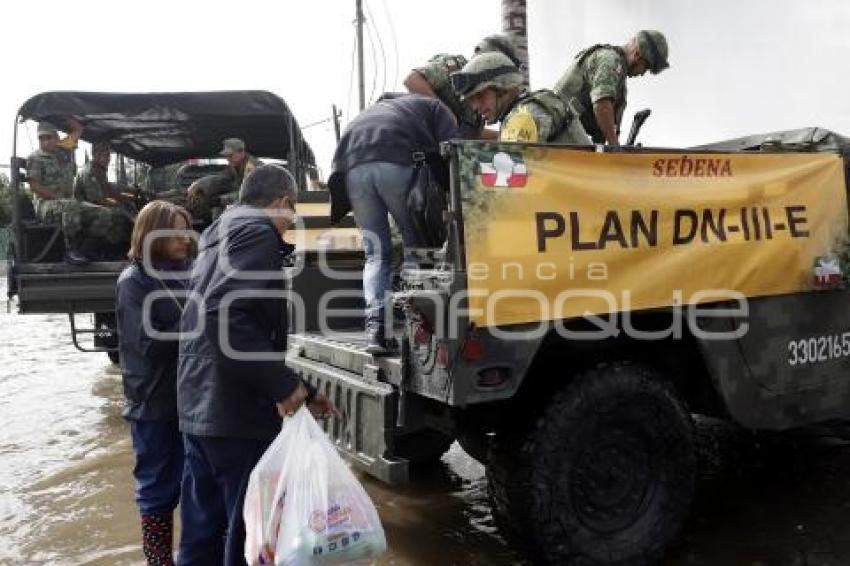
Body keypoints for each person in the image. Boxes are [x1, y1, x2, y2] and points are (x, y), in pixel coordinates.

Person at [176, 164, 336, 566]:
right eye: (293, 210)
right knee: (250, 532)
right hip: (233, 414)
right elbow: (226, 316)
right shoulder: (256, 230)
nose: (291, 221)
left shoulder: (218, 230)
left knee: (202, 530)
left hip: (199, 405)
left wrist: (305, 390)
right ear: (282, 202)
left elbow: (227, 321)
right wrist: (283, 387)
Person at [327, 94, 457, 353]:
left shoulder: (379, 110)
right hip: (395, 161)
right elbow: (453, 152)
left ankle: (376, 331)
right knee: (414, 247)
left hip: (352, 169)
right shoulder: (435, 106)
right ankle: (413, 326)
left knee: (375, 254)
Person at [116, 200, 195, 565]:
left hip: (191, 398)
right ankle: (158, 559)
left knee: (197, 484)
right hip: (153, 400)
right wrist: (198, 329)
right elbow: (147, 341)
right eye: (175, 231)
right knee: (157, 486)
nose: (184, 238)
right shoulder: (134, 281)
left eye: (185, 230)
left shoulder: (188, 272)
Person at [553, 30, 670, 145]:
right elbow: (602, 105)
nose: (643, 73)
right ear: (637, 55)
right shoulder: (609, 60)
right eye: (645, 67)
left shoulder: (619, 82)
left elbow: (608, 131)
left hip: (568, 134)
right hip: (558, 130)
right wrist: (614, 148)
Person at [451, 52, 591, 144]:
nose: (475, 107)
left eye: (480, 95)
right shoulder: (520, 113)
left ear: (503, 88)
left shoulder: (524, 117)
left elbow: (513, 178)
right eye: (471, 100)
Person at [403, 33, 520, 139]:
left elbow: (470, 133)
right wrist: (444, 115)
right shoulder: (456, 68)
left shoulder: (487, 95)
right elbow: (413, 80)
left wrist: (504, 138)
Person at [26, 119, 90, 262]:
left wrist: (66, 116)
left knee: (101, 211)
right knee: (71, 206)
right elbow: (35, 187)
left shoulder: (62, 150)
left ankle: (92, 248)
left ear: (56, 138)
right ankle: (70, 250)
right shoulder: (35, 158)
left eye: (48, 137)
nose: (45, 142)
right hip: (45, 204)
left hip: (66, 202)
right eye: (41, 138)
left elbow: (77, 131)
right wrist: (57, 196)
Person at [73, 141, 134, 258]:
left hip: (94, 207)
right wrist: (118, 205)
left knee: (124, 212)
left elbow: (109, 192)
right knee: (119, 215)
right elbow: (97, 200)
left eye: (108, 155)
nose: (108, 159)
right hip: (83, 210)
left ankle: (114, 249)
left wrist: (127, 198)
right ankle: (95, 250)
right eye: (105, 155)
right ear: (95, 155)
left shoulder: (100, 171)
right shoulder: (90, 172)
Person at [186, 138, 260, 222]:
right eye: (226, 156)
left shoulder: (252, 169)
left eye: (230, 155)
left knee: (220, 207)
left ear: (241, 152)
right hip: (247, 206)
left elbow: (247, 195)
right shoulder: (236, 165)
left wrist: (220, 200)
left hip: (258, 209)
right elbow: (221, 179)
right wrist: (198, 185)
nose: (227, 159)